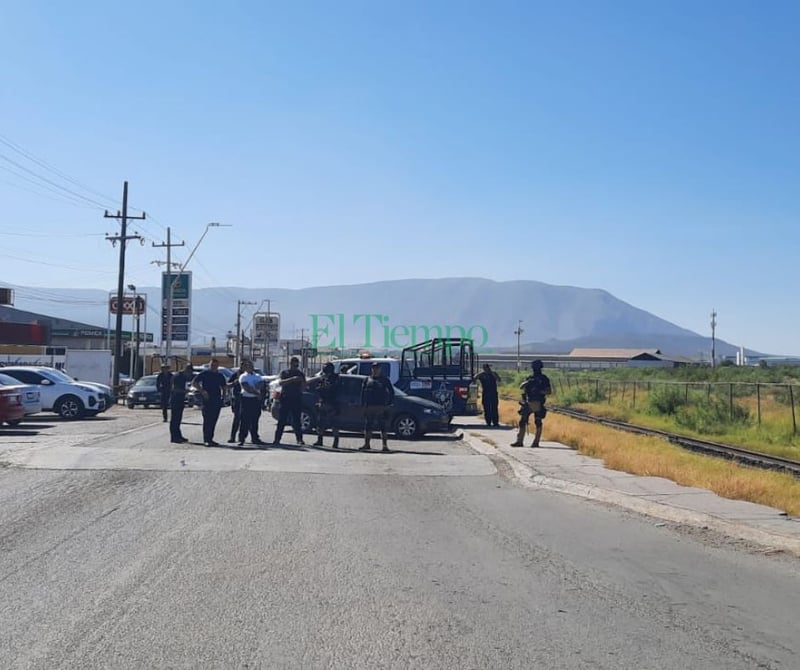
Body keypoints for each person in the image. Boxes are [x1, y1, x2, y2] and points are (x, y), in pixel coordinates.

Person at [511, 359, 552, 448]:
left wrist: (539, 391)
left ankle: (534, 442)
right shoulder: (530, 378)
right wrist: (528, 383)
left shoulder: (543, 379)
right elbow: (521, 387)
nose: (534, 368)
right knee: (523, 421)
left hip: (537, 402)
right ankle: (521, 441)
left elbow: (549, 391)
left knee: (537, 421)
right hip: (529, 402)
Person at [359, 362, 394, 452]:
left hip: (381, 407)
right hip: (369, 406)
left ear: (380, 369)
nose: (375, 370)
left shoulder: (384, 380)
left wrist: (389, 404)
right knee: (368, 426)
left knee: (383, 427)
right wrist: (363, 405)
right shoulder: (367, 379)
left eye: (377, 368)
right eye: (373, 368)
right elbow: (362, 393)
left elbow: (391, 392)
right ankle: (366, 444)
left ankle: (384, 445)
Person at [193, 359, 227, 446]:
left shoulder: (220, 375)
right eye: (212, 365)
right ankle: (206, 439)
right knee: (207, 419)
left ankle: (211, 439)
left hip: (217, 399)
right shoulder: (205, 374)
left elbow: (224, 387)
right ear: (209, 365)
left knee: (214, 420)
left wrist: (224, 397)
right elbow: (195, 383)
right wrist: (202, 391)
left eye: (215, 365)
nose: (214, 367)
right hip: (207, 400)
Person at [273, 356, 306, 445]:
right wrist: (292, 379)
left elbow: (303, 387)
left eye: (297, 364)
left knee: (297, 421)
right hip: (285, 398)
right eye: (294, 364)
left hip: (296, 398)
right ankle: (277, 439)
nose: (295, 366)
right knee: (282, 420)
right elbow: (280, 382)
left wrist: (301, 381)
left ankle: (299, 439)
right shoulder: (285, 372)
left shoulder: (300, 373)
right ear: (290, 364)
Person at [313, 362, 341, 449]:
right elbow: (317, 388)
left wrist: (328, 387)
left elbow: (336, 389)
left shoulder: (336, 378)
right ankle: (320, 440)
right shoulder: (323, 378)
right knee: (320, 423)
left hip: (332, 403)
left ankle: (336, 441)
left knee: (334, 424)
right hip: (323, 402)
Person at [237, 360, 265, 447]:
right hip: (246, 400)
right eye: (248, 366)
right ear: (245, 367)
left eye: (251, 366)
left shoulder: (258, 376)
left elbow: (261, 384)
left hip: (255, 401)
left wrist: (255, 390)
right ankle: (241, 439)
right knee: (245, 420)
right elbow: (246, 388)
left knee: (255, 420)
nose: (250, 367)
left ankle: (255, 438)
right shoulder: (243, 376)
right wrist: (257, 392)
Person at [169, 363, 194, 444]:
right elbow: (174, 389)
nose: (189, 374)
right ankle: (174, 437)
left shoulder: (183, 378)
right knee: (174, 419)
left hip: (180, 399)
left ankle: (178, 435)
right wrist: (185, 391)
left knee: (178, 419)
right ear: (186, 370)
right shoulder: (177, 376)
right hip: (175, 399)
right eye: (189, 372)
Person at [228, 362, 246, 443]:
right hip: (237, 398)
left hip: (247, 399)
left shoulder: (249, 375)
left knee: (246, 419)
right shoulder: (236, 374)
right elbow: (228, 384)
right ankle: (233, 437)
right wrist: (234, 383)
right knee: (237, 418)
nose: (244, 367)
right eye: (243, 365)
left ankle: (242, 437)